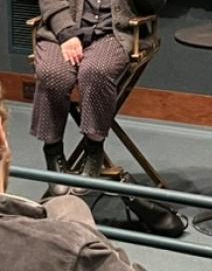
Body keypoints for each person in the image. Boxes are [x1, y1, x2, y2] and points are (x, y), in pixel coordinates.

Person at [30, 0, 168, 196]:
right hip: (62, 34)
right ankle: (54, 158)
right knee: (53, 74)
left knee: (95, 72)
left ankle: (93, 153)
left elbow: (158, 1)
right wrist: (66, 34)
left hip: (112, 34)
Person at [0, 83, 147, 270]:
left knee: (67, 204)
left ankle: (92, 148)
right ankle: (57, 151)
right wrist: (90, 248)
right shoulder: (66, 248)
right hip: (71, 249)